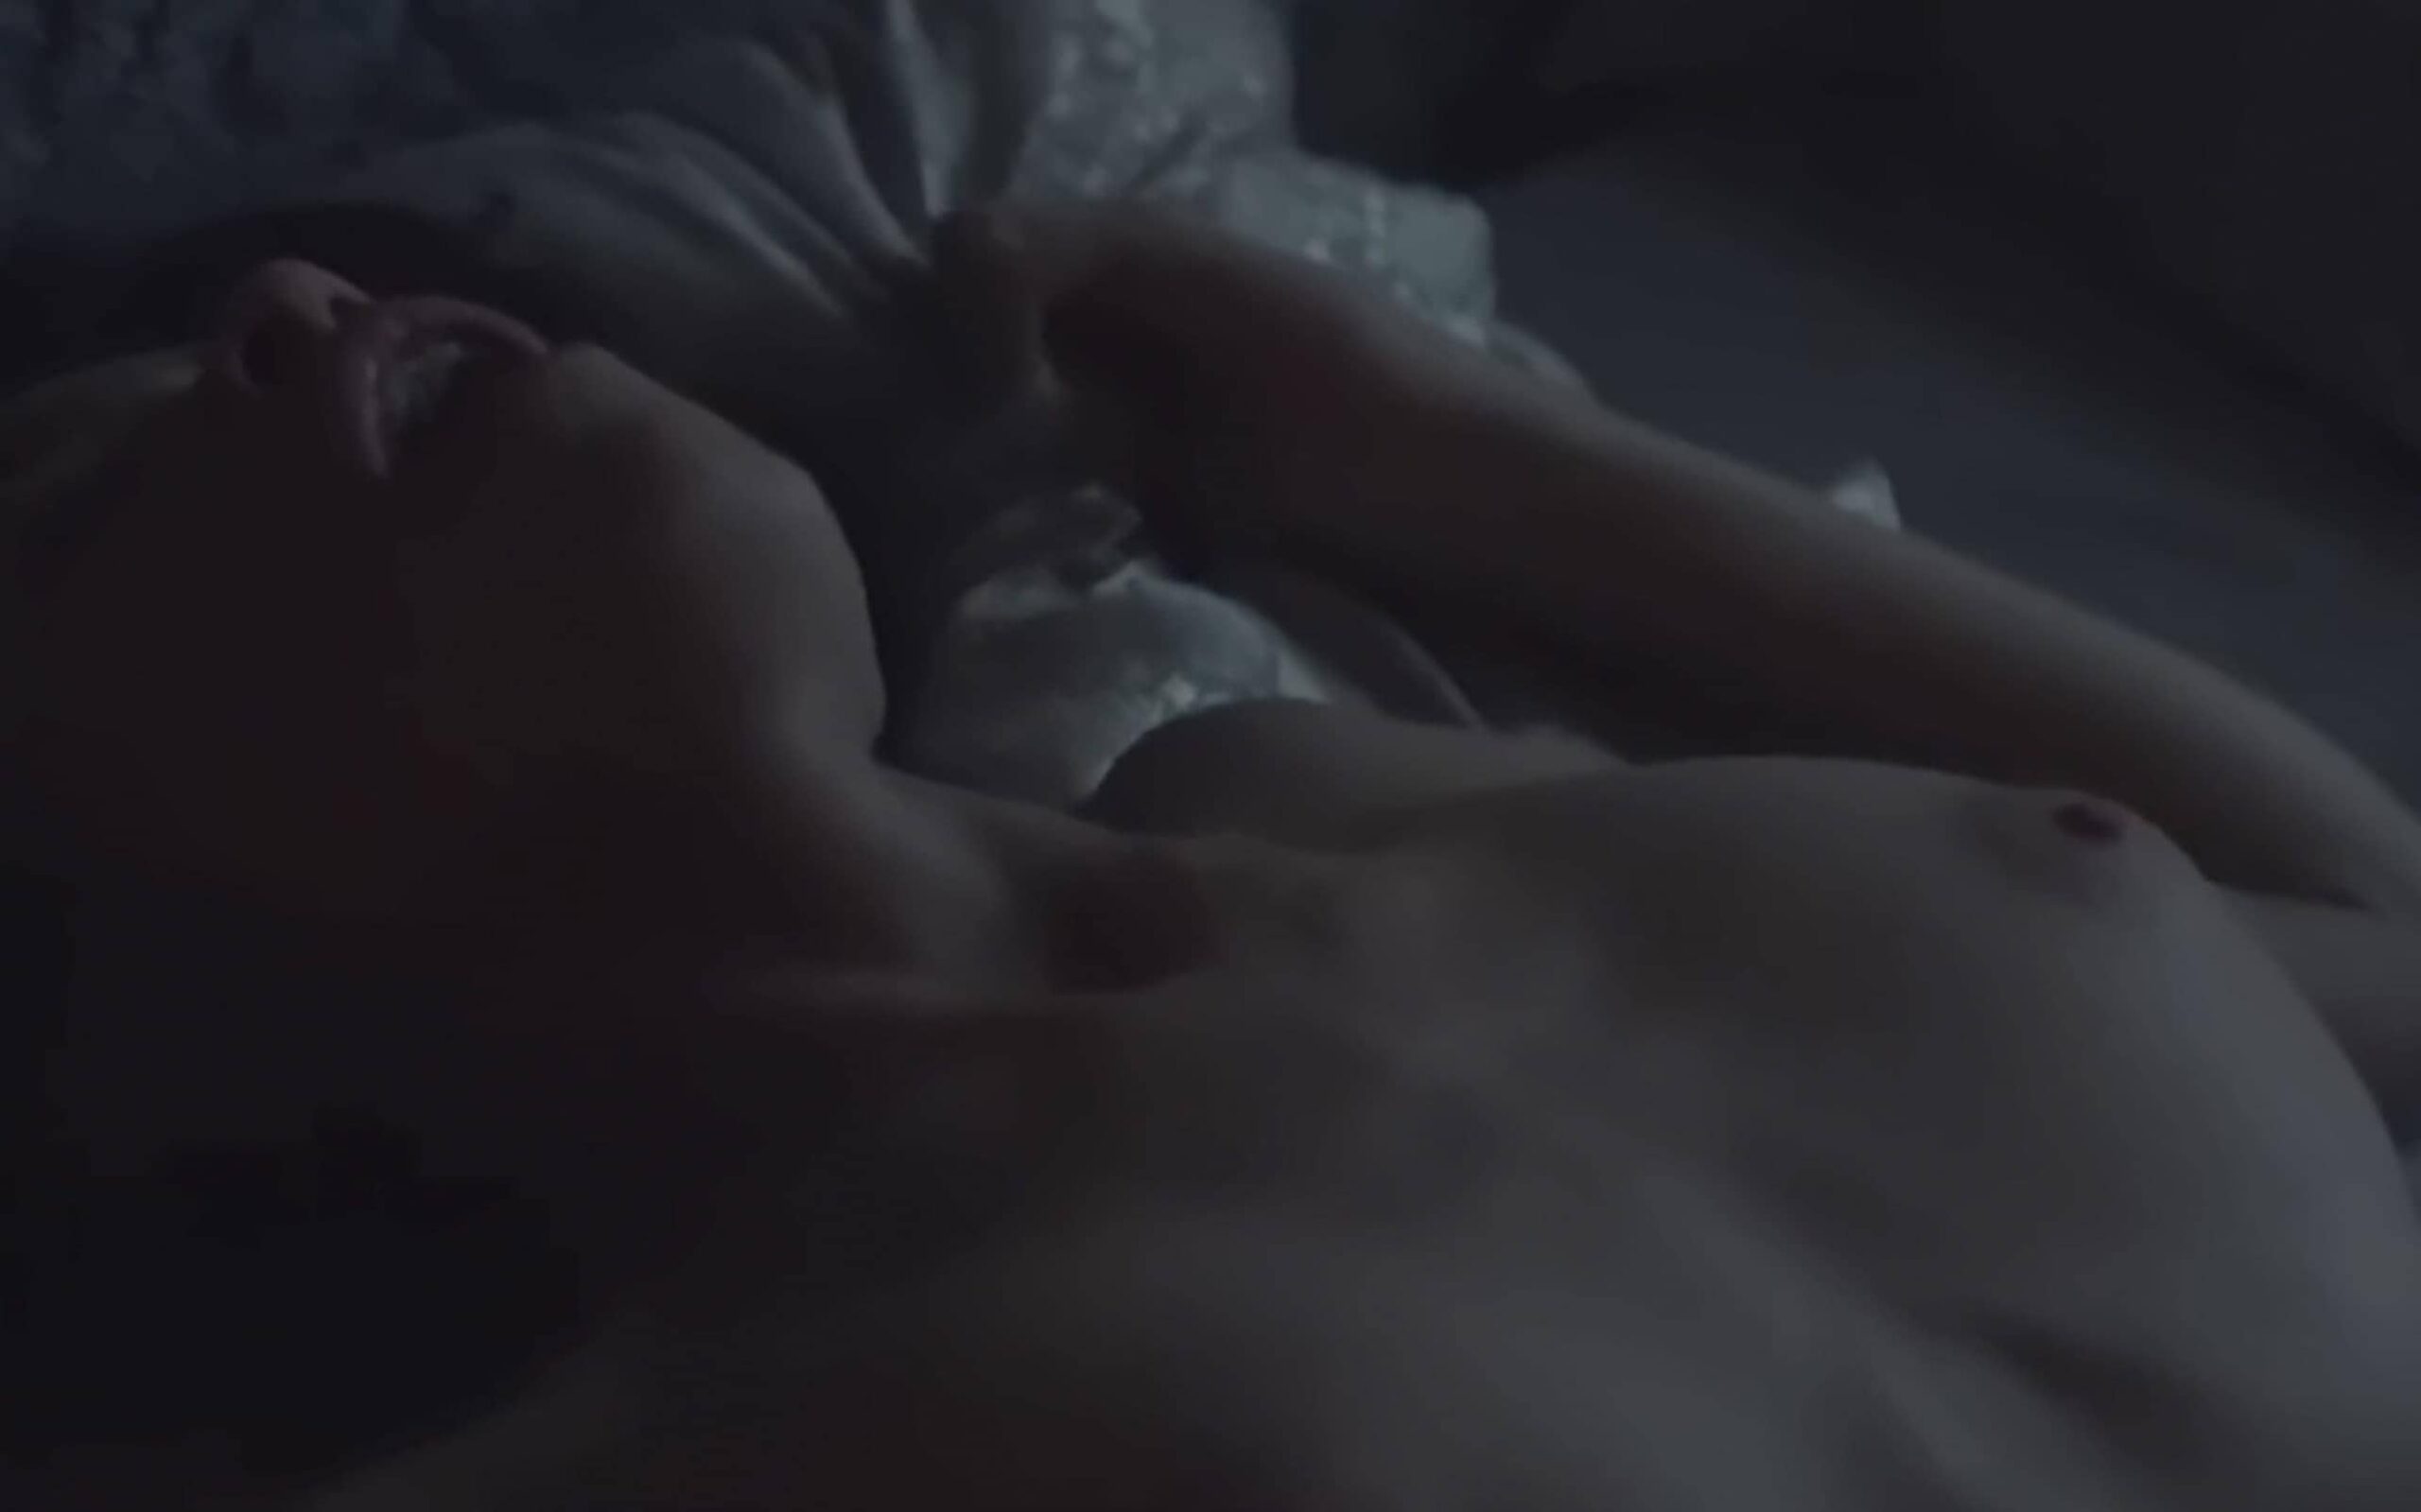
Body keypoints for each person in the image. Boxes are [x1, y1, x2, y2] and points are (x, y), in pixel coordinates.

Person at [4, 201, 2418, 1508]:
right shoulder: (695, 1412)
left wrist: (1459, 453)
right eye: (71, 501)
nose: (284, 300)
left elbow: (2381, 957)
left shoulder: (1312, 786)